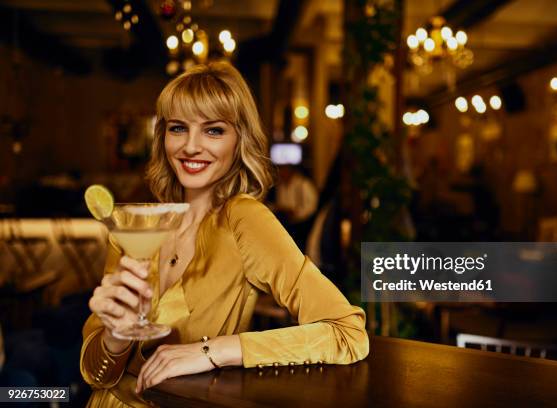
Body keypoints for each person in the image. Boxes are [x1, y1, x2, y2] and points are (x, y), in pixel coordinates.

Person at [80, 61, 369, 407]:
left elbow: (348, 333)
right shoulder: (138, 226)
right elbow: (98, 376)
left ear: (239, 140)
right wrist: (115, 335)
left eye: (213, 130)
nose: (190, 146)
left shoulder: (243, 219)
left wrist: (212, 351)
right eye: (178, 128)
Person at [274, 164, 319, 250]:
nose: (281, 174)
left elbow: (313, 206)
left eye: (284, 170)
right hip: (288, 225)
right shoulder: (281, 186)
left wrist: (297, 212)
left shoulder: (303, 184)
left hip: (303, 227)